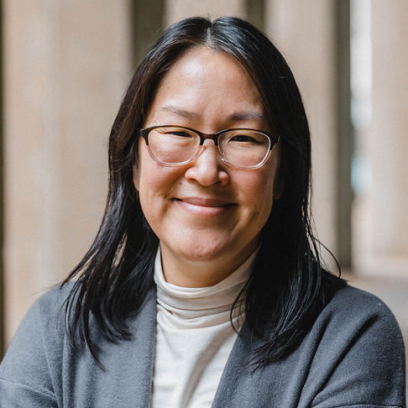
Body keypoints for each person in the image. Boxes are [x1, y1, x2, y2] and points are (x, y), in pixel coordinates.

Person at [0, 16, 405, 408]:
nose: (207, 170)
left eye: (244, 138)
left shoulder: (350, 336)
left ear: (283, 174)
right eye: (177, 132)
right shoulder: (58, 329)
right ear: (134, 164)